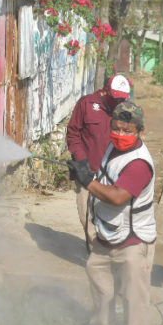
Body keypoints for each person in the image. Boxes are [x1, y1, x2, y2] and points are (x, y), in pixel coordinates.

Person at [67, 101, 156, 325]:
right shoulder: (112, 147)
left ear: (140, 131)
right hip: (107, 234)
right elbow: (106, 177)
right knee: (100, 284)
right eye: (116, 129)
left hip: (132, 240)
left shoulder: (139, 163)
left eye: (127, 131)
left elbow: (118, 197)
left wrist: (88, 182)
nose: (120, 135)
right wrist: (83, 171)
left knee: (133, 295)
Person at [66, 74, 132, 251]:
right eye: (116, 97)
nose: (119, 101)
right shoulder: (86, 104)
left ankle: (109, 255)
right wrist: (81, 160)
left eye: (122, 98)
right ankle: (96, 255)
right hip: (87, 173)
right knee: (87, 218)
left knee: (113, 218)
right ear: (107, 92)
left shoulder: (125, 110)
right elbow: (73, 134)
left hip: (113, 176)